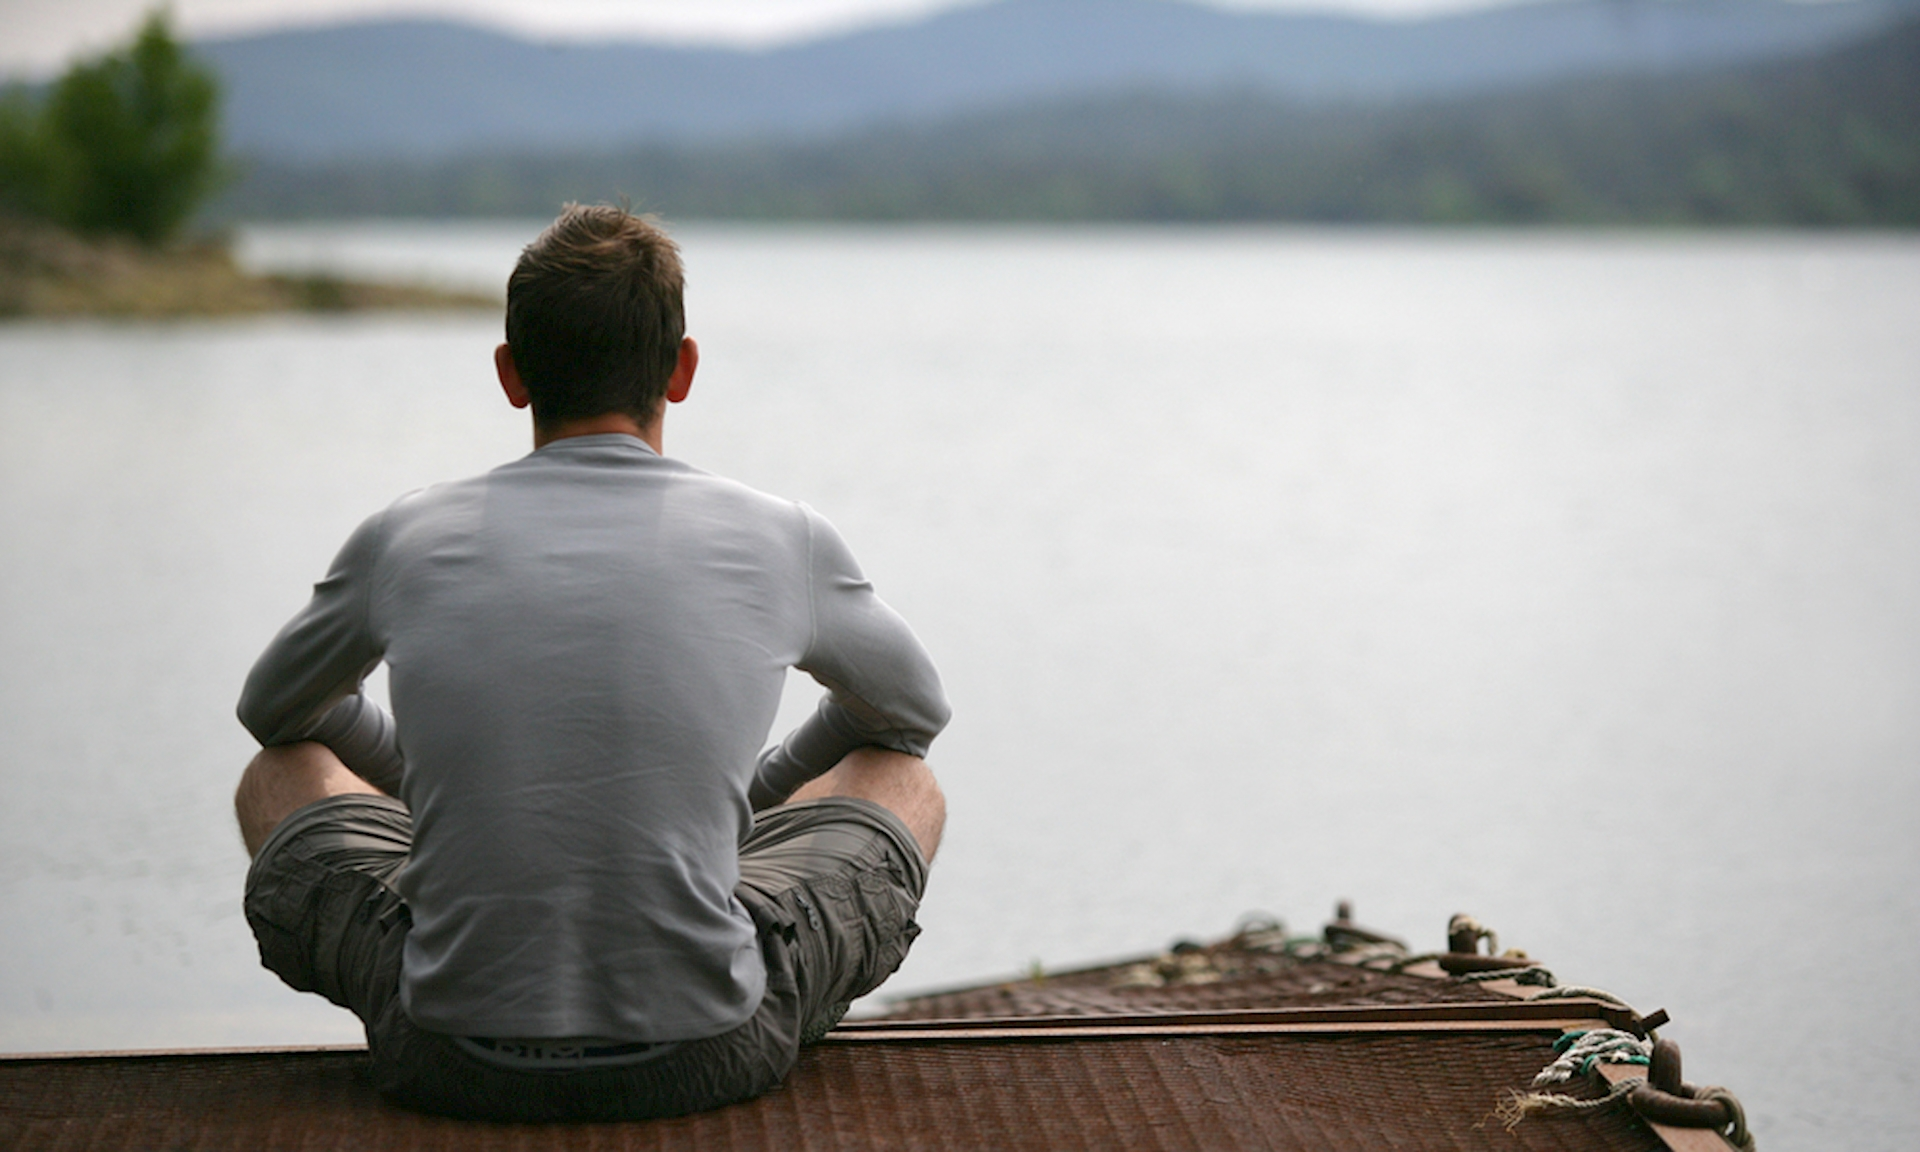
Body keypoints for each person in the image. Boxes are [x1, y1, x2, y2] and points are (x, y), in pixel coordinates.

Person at [232, 204, 950, 1122]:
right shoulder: (782, 537)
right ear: (682, 369)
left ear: (511, 375)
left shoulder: (403, 537)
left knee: (278, 773)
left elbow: (275, 715)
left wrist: (431, 783)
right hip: (709, 1052)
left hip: (446, 1052)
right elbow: (909, 717)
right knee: (905, 780)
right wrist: (757, 795)